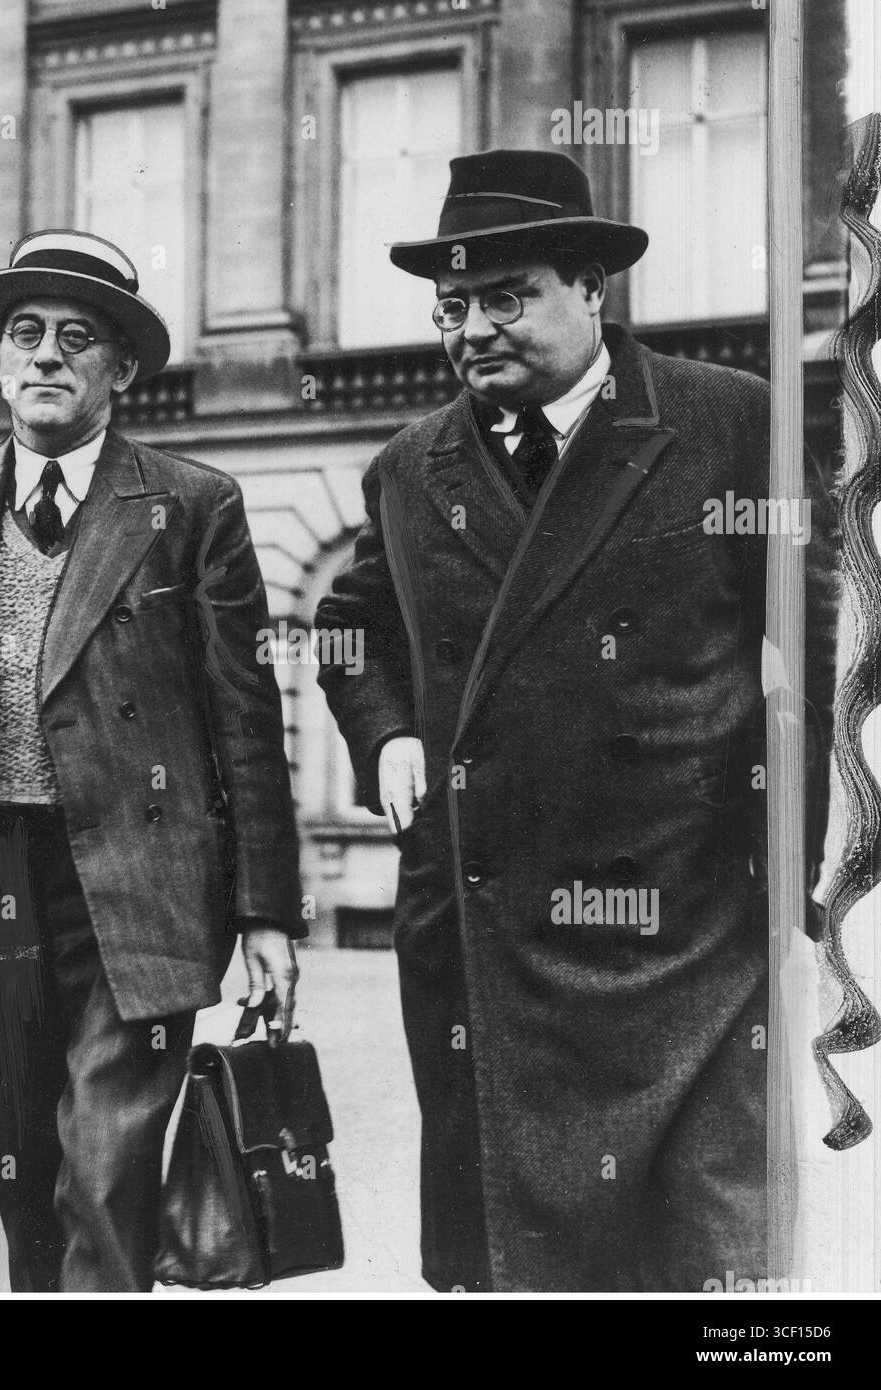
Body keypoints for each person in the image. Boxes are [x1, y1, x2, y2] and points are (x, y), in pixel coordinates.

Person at [315, 149, 838, 1292]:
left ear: (593, 290)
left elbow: (811, 647)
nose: (473, 329)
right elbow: (351, 625)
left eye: (507, 297)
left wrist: (790, 865)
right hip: (482, 931)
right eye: (453, 305)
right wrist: (388, 732)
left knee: (703, 1266)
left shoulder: (729, 423)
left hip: (687, 934)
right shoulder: (410, 467)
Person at [0, 229, 302, 1291]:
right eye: (23, 334)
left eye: (75, 337)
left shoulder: (193, 504)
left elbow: (246, 721)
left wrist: (268, 911)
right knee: (20, 1168)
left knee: (108, 1165)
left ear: (120, 368)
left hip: (142, 885)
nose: (43, 356)